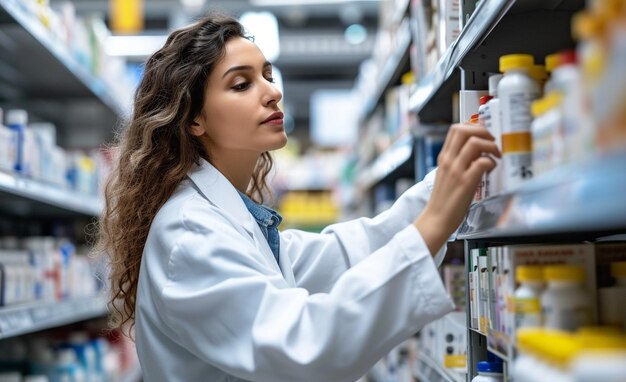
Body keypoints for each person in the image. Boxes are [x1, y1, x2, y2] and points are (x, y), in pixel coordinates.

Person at [96, 13, 499, 382]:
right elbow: (304, 346)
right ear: (193, 119)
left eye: (267, 76)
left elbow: (347, 252)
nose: (272, 92)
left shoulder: (233, 220)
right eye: (242, 83)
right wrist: (433, 223)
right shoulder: (190, 234)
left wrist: (442, 186)